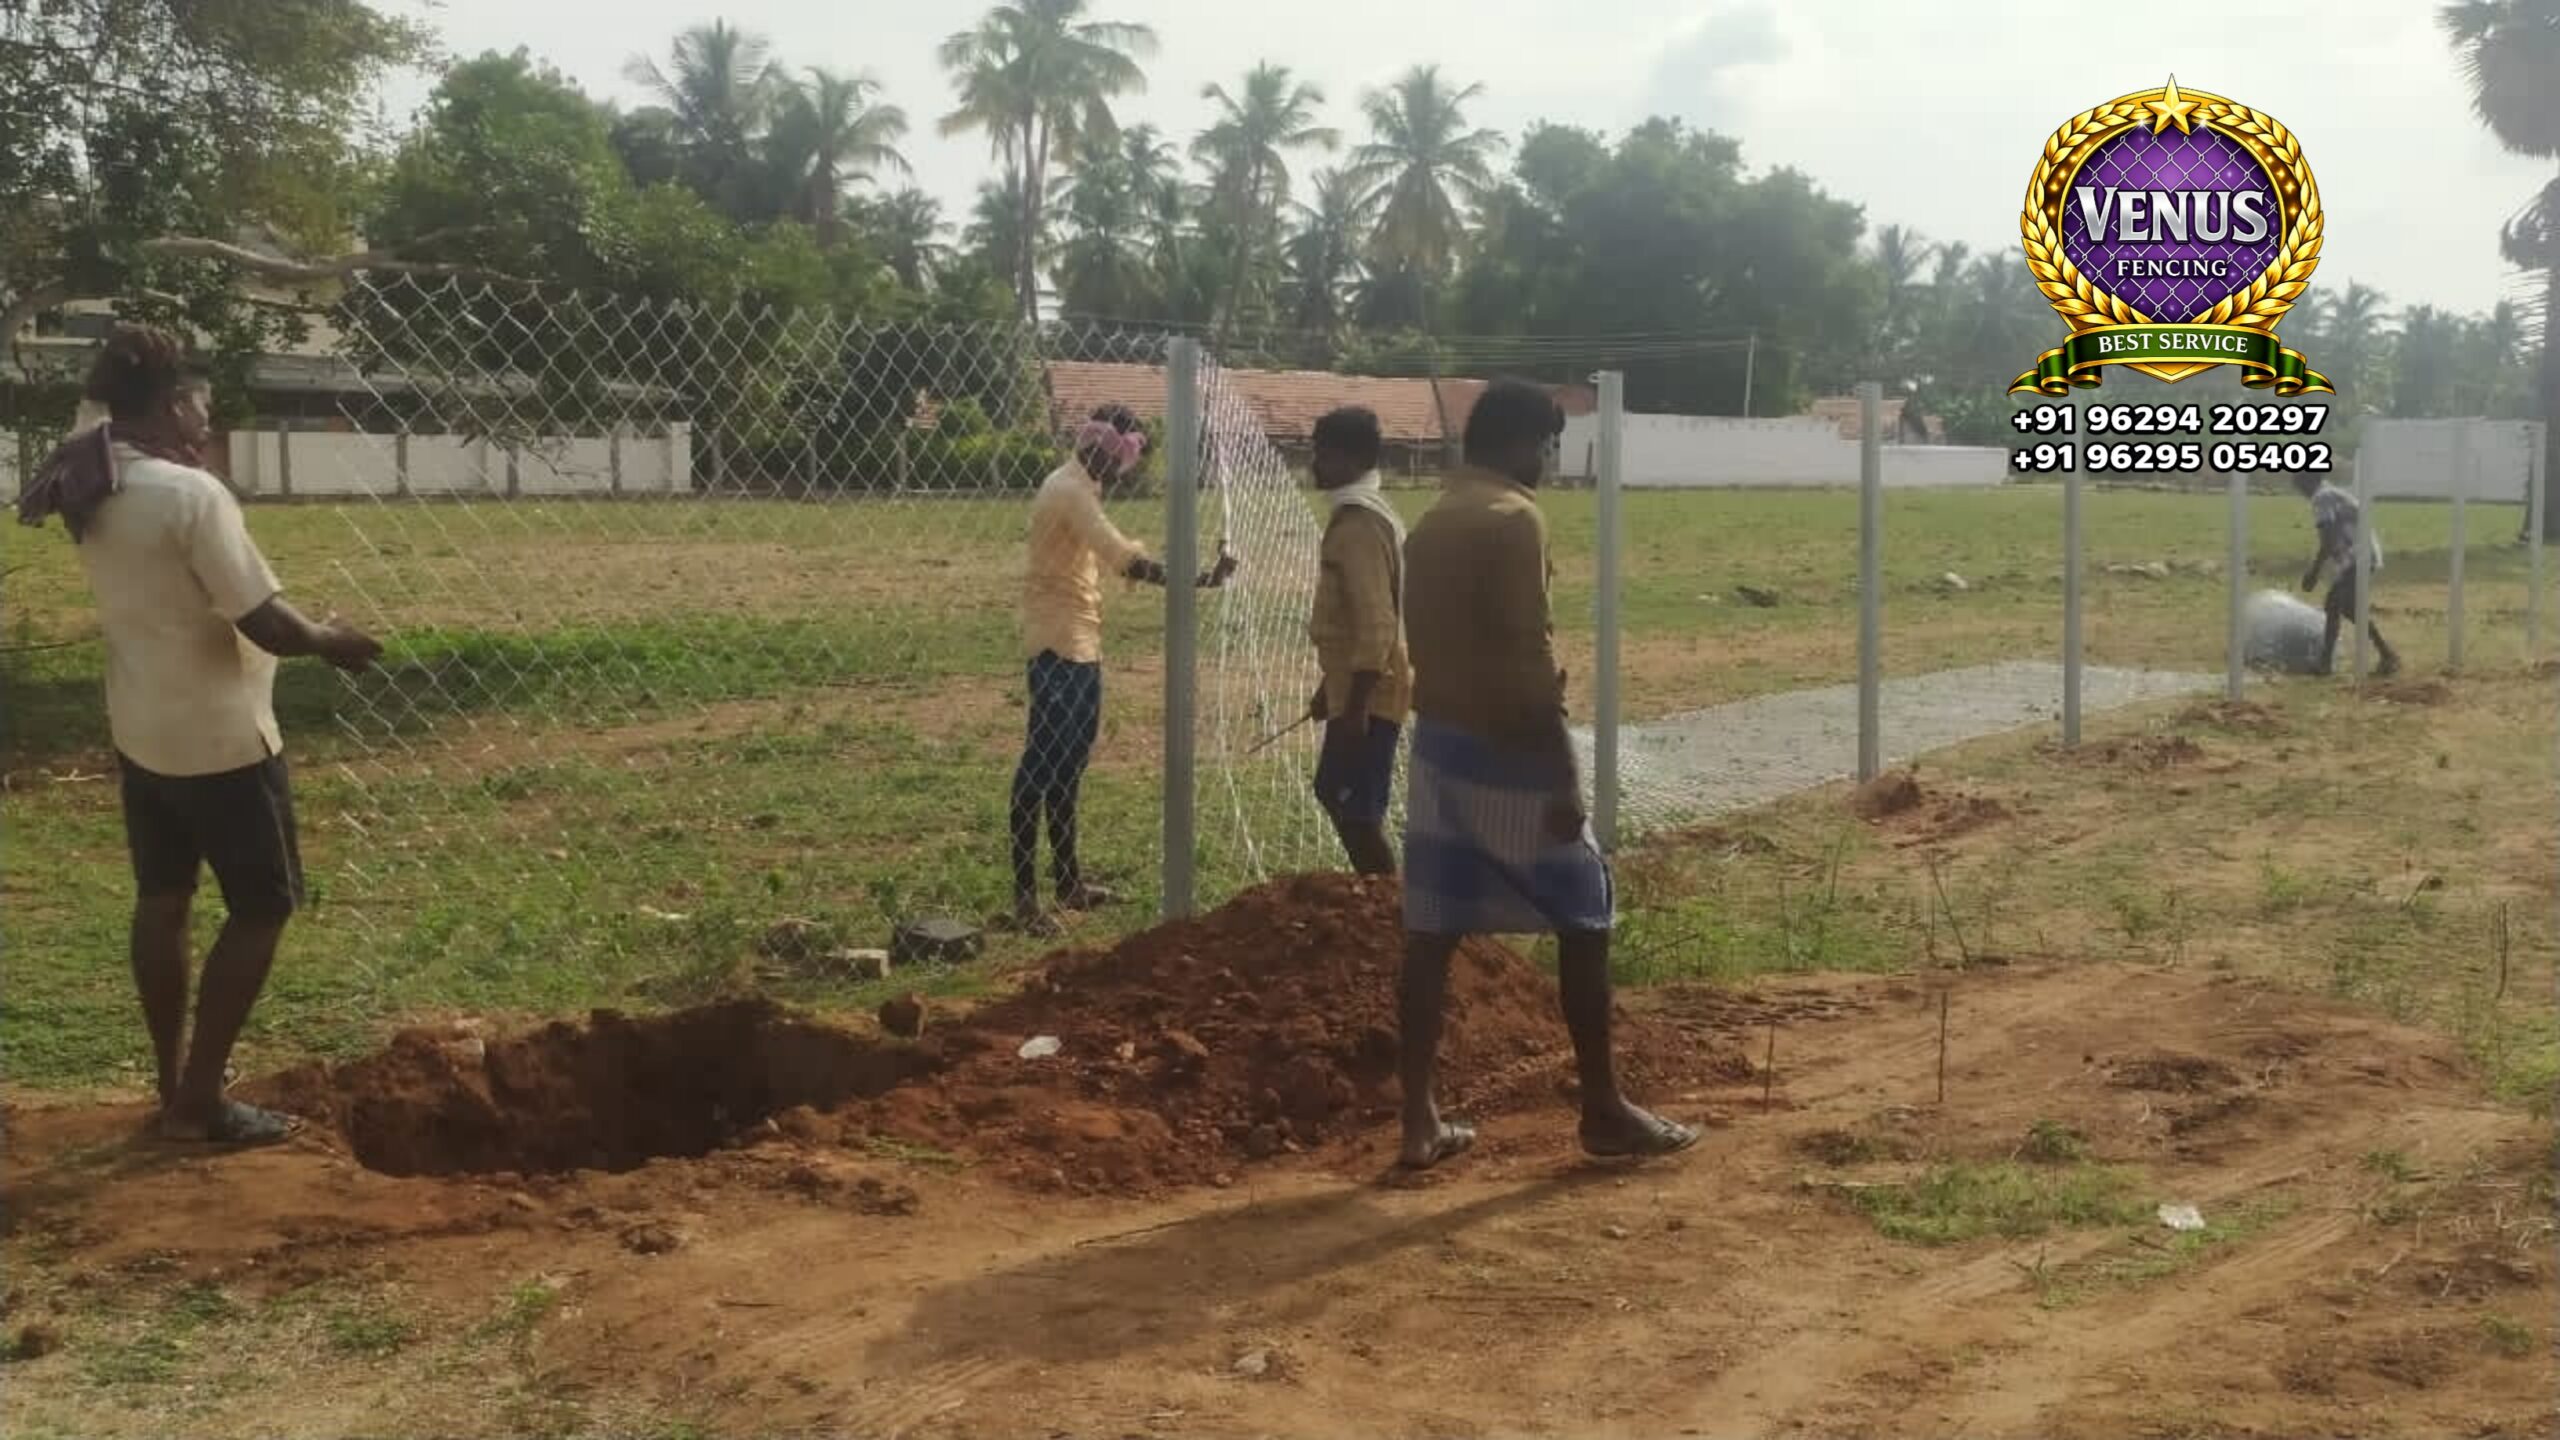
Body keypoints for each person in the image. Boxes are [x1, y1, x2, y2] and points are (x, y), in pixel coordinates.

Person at [15, 324, 382, 1144]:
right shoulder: (191, 496)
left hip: (142, 730)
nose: (208, 420)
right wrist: (333, 638)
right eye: (200, 404)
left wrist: (124, 367)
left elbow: (96, 416)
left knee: (163, 897)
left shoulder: (91, 477)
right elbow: (267, 623)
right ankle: (199, 1102)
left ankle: (171, 1079)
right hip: (224, 740)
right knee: (262, 906)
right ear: (172, 403)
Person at [1395, 379, 1697, 1170]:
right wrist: (1563, 776)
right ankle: (1602, 1108)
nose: (1548, 462)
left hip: (1437, 746)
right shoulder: (1513, 519)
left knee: (1430, 934)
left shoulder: (1430, 521)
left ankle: (1418, 1121)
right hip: (1511, 750)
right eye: (1546, 445)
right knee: (1585, 913)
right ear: (1520, 442)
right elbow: (1529, 652)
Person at [1012, 404, 1237, 934]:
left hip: (1080, 640)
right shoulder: (1069, 491)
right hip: (1057, 642)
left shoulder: (1079, 485)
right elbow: (1124, 559)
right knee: (1040, 769)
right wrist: (1201, 578)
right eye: (1121, 461)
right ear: (1102, 452)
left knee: (1068, 766)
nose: (1122, 472)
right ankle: (1025, 898)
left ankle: (1068, 881)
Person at [1303, 406, 1409, 876]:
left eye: (1322, 454)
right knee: (1336, 792)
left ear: (1350, 459)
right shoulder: (1361, 514)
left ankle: (1391, 905)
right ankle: (1380, 896)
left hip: (1372, 690)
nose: (1314, 464)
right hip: (1356, 685)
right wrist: (1331, 688)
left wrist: (1357, 706)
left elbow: (1376, 620)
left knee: (1357, 810)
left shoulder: (1359, 526)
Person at [2292, 471, 2400, 677]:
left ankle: (2385, 655)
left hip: (2359, 556)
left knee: (2341, 605)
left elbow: (2328, 538)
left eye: (2297, 482)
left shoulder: (2321, 498)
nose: (2296, 488)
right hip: (2359, 555)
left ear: (2307, 480)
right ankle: (2329, 663)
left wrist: (2314, 571)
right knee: (2339, 606)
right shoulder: (2330, 493)